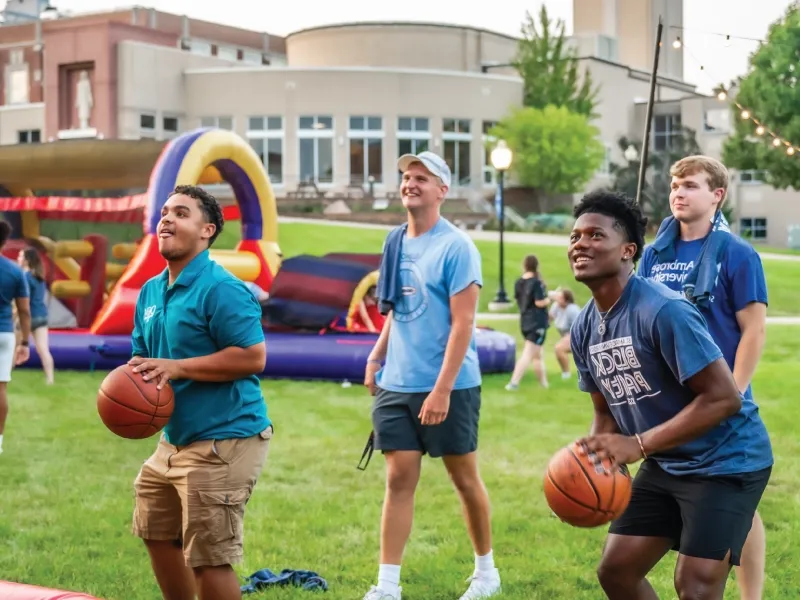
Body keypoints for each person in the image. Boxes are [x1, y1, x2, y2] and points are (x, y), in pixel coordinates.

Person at [567, 189, 773, 600]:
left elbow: (724, 397)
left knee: (695, 586)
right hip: (667, 461)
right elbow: (605, 410)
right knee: (617, 572)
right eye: (575, 237)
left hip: (726, 460)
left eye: (594, 236)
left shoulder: (663, 310)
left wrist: (638, 445)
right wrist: (599, 459)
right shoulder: (584, 326)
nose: (580, 245)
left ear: (628, 250)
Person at [363, 151, 501, 600]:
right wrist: (376, 355)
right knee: (398, 479)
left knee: (464, 479)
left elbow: (463, 324)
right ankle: (387, 586)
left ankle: (486, 573)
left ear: (442, 190)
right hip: (397, 383)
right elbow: (397, 309)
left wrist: (441, 390)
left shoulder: (457, 246)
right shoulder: (395, 241)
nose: (410, 183)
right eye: (406, 177)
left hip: (450, 386)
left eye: (422, 178)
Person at [128, 184, 273, 600]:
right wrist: (130, 391)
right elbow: (143, 360)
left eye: (181, 213)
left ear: (207, 230)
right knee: (156, 532)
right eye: (164, 213)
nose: (166, 219)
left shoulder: (221, 287)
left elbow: (252, 357)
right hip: (173, 440)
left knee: (209, 557)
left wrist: (177, 367)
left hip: (225, 438)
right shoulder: (151, 291)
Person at [637, 155, 770, 600]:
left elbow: (753, 328)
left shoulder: (737, 253)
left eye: (690, 185)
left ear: (717, 195)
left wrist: (733, 389)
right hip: (671, 399)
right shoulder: (654, 254)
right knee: (737, 507)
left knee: (738, 498)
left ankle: (752, 596)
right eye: (675, 184)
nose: (678, 192)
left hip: (718, 395)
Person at [0, 220, 30, 455]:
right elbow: (24, 311)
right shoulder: (15, 271)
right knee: (1, 389)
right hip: (4, 334)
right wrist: (25, 342)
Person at [505, 254, 551, 391]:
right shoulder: (536, 283)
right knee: (528, 353)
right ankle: (514, 382)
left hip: (525, 321)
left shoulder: (518, 282)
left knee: (537, 354)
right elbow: (539, 302)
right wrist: (550, 298)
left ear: (524, 266)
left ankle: (544, 385)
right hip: (536, 323)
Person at [18, 247, 54, 385]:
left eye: (21, 256)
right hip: (42, 316)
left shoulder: (25, 277)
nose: (18, 259)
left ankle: (5, 375)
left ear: (27, 260)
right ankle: (50, 379)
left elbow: (23, 301)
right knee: (44, 350)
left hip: (29, 316)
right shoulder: (39, 277)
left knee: (13, 346)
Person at [548, 288, 580, 380]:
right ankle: (567, 373)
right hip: (566, 336)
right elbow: (549, 318)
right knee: (559, 349)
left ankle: (566, 374)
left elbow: (579, 327)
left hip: (576, 335)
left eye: (560, 297)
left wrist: (568, 337)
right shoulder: (556, 306)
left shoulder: (573, 310)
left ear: (567, 300)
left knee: (559, 348)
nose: (557, 299)